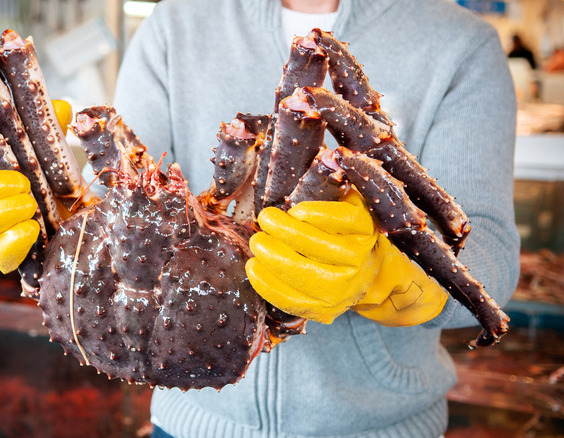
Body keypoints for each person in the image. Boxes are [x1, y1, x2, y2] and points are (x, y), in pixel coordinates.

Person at [109, 0, 520, 437]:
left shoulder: (462, 43)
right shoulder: (174, 23)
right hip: (186, 422)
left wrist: (395, 275)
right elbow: (113, 206)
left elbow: (488, 245)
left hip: (380, 426)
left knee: (336, 153)